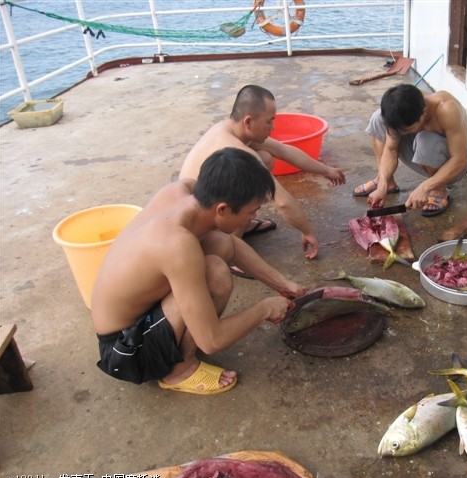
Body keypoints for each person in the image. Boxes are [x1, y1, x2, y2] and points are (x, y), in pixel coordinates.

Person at [91, 148, 306, 395]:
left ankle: (177, 341)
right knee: (215, 272)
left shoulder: (183, 191)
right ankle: (179, 370)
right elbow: (212, 341)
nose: (253, 218)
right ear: (223, 209)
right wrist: (265, 309)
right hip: (126, 349)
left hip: (136, 319)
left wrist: (284, 285)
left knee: (221, 243)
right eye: (250, 212)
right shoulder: (178, 246)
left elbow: (232, 244)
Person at [180, 85, 346, 259]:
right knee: (255, 170)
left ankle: (240, 225)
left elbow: (284, 151)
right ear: (248, 121)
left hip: (208, 206)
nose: (272, 127)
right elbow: (282, 202)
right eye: (269, 121)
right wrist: (308, 231)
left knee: (265, 158)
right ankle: (232, 248)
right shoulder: (237, 150)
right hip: (198, 230)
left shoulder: (230, 129)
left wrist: (326, 170)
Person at [352, 84, 467, 217]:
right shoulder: (403, 101)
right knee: (378, 118)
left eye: (406, 130)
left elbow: (461, 160)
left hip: (452, 167)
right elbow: (391, 149)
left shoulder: (447, 109)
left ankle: (438, 189)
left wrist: (424, 187)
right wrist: (382, 184)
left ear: (424, 113)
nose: (401, 134)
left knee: (425, 139)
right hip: (422, 154)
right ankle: (386, 181)